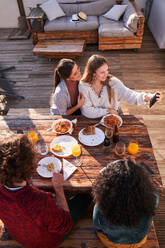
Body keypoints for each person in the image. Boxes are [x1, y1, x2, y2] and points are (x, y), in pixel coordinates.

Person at [0, 134, 91, 248]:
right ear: (32, 167)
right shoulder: (40, 201)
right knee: (85, 197)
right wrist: (58, 188)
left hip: (17, 234)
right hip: (44, 242)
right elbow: (66, 224)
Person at [92, 159, 159, 248]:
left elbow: (98, 228)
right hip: (138, 242)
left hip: (112, 242)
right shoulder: (154, 196)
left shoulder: (100, 209)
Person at [79, 55, 161, 118]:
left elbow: (130, 95)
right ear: (93, 73)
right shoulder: (83, 85)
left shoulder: (113, 82)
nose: (106, 74)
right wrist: (109, 111)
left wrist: (148, 97)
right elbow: (86, 111)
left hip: (115, 115)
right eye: (102, 72)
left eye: (107, 70)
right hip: (94, 119)